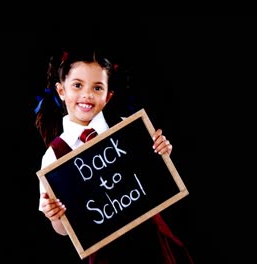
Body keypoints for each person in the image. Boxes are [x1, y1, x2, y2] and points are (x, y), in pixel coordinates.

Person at [34, 47, 193, 264]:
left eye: (97, 87)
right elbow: (64, 230)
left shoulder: (130, 128)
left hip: (153, 243)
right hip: (106, 257)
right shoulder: (53, 156)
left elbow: (157, 183)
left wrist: (162, 153)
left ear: (108, 96)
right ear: (61, 91)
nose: (87, 95)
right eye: (77, 85)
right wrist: (54, 215)